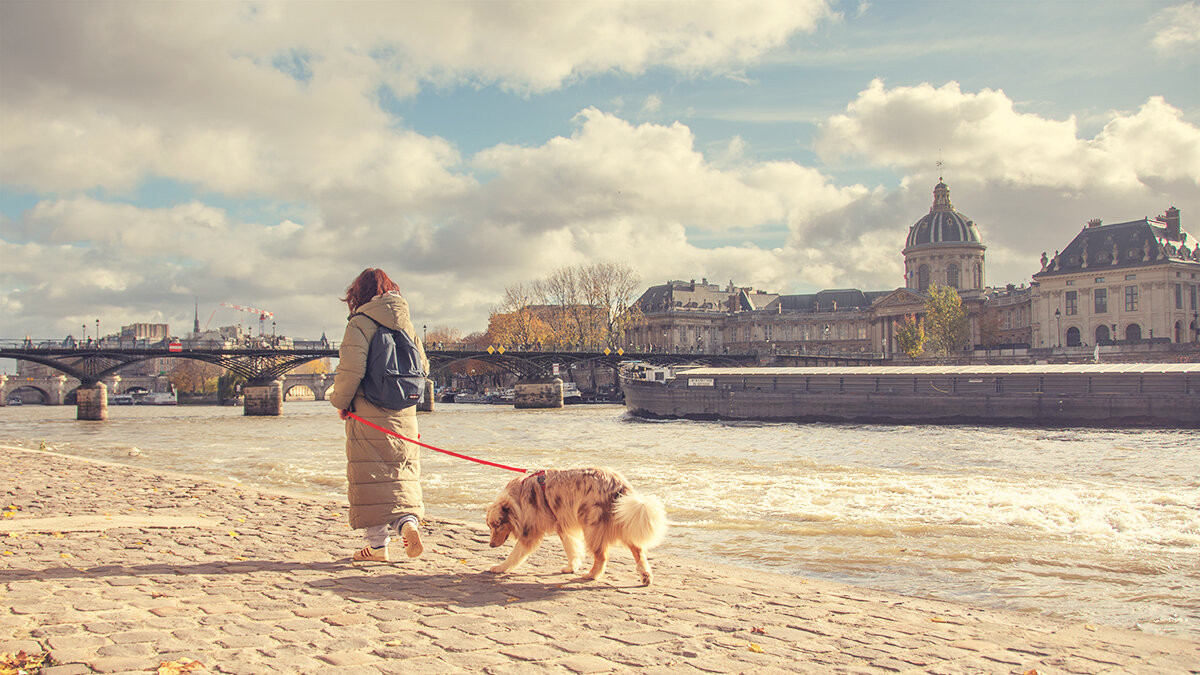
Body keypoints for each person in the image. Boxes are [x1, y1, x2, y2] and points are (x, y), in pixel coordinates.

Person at [330, 268, 430, 562]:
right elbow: (423, 367)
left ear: (358, 294)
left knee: (370, 477)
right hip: (404, 413)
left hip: (368, 412)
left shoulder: (360, 322)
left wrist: (341, 402)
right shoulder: (406, 324)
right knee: (402, 473)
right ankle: (407, 524)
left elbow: (351, 370)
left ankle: (377, 547)